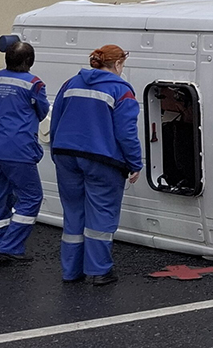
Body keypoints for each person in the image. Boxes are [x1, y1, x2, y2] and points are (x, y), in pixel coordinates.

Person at [50, 45, 142, 285]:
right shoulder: (121, 91)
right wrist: (135, 163)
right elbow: (126, 133)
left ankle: (71, 271)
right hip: (102, 159)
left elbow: (56, 118)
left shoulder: (70, 84)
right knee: (101, 214)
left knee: (73, 213)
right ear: (118, 64)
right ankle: (99, 271)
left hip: (65, 154)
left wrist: (57, 152)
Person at [0, 41, 49, 265]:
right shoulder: (34, 84)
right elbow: (42, 111)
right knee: (31, 197)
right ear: (29, 62)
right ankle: (10, 247)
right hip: (18, 149)